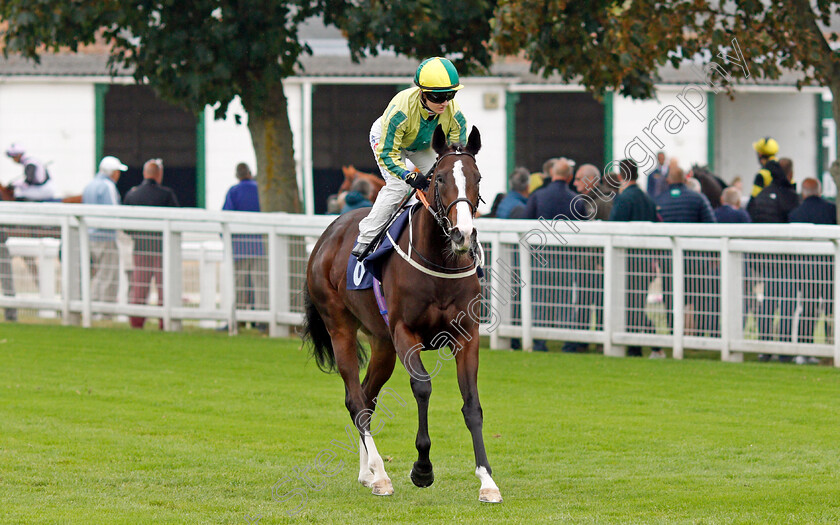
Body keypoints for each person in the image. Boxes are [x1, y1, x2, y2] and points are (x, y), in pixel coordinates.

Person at [351, 57, 467, 259]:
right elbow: (388, 154)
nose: (445, 102)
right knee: (399, 186)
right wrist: (408, 175)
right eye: (438, 96)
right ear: (423, 93)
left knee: (447, 179)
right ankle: (366, 237)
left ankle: (452, 229)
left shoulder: (455, 116)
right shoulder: (400, 112)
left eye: (451, 94)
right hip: (389, 141)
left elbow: (458, 158)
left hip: (420, 144)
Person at [608, 159, 661, 357]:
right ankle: (642, 345)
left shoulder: (624, 198)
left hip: (627, 261)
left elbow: (614, 226)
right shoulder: (647, 198)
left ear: (621, 176)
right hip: (645, 260)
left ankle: (642, 345)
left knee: (630, 305)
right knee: (637, 304)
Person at [746, 158, 798, 355]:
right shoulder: (790, 196)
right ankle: (784, 349)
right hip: (785, 260)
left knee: (767, 301)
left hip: (764, 260)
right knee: (786, 302)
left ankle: (764, 346)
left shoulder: (761, 195)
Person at [123, 159, 179, 329]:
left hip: (140, 248)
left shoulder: (132, 194)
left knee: (139, 286)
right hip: (161, 248)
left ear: (144, 173)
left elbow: (126, 225)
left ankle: (137, 322)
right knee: (163, 286)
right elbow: (176, 219)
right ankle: (164, 321)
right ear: (159, 174)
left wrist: (138, 235)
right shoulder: (166, 194)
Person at [789, 178, 835, 353]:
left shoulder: (795, 214)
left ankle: (805, 348)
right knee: (831, 308)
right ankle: (831, 346)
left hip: (805, 270)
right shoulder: (831, 210)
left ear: (803, 192)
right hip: (830, 269)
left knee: (808, 307)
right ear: (820, 190)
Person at [223, 162, 267, 327]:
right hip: (260, 245)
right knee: (260, 283)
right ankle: (262, 320)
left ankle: (239, 319)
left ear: (237, 175)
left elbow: (226, 216)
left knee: (240, 283)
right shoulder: (260, 189)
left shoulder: (233, 191)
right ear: (250, 173)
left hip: (239, 246)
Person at [82, 155, 128, 309]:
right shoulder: (108, 186)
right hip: (106, 236)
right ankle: (106, 310)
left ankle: (93, 308)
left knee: (97, 275)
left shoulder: (89, 185)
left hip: (89, 236)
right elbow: (114, 211)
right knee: (108, 275)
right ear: (112, 172)